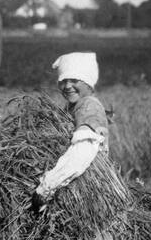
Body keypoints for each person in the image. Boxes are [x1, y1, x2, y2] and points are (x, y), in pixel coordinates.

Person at [31, 52, 110, 213]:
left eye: (74, 80)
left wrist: (48, 186)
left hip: (87, 193)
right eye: (63, 81)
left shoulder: (89, 107)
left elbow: (83, 151)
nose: (67, 86)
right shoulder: (73, 106)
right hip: (74, 187)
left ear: (88, 83)